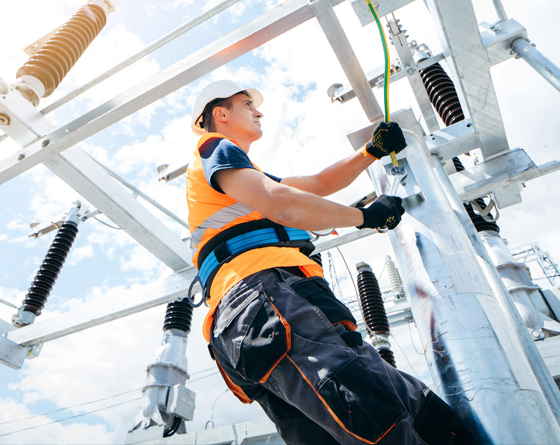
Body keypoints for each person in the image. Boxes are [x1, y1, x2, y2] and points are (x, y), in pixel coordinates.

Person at [186, 79, 475, 445]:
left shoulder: (240, 178)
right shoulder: (215, 148)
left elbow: (319, 183)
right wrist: (364, 217)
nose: (258, 111)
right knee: (377, 419)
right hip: (265, 297)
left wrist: (370, 151)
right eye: (247, 104)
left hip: (255, 320)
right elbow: (283, 204)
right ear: (220, 113)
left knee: (410, 418)